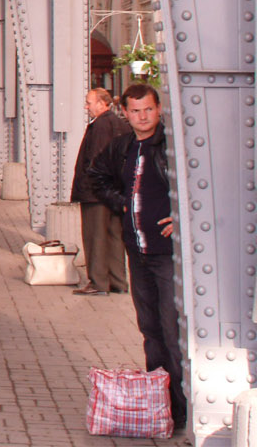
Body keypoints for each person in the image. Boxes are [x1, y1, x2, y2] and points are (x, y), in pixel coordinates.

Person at [89, 83, 186, 428]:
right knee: (150, 330)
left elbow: (196, 183)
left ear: (158, 109)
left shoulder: (173, 146)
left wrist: (183, 215)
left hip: (166, 255)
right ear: (125, 113)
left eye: (148, 109)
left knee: (172, 331)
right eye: (135, 111)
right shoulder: (122, 147)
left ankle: (180, 408)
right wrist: (122, 203)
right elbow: (96, 175)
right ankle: (158, 404)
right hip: (138, 250)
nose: (142, 116)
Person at [70, 87, 130, 296]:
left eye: (89, 102)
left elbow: (95, 158)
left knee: (95, 236)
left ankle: (98, 282)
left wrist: (92, 182)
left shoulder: (100, 126)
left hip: (96, 192)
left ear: (102, 103)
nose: (86, 106)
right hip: (115, 191)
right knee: (115, 235)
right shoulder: (120, 124)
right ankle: (118, 281)